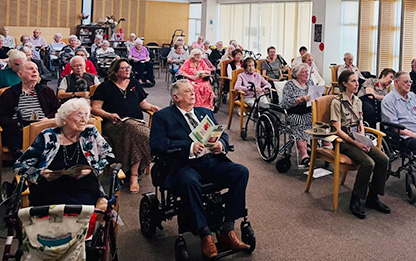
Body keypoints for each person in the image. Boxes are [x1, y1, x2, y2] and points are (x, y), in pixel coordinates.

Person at [150, 79, 251, 259]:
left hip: (211, 160)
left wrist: (221, 144)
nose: (193, 93)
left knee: (241, 172)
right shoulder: (163, 116)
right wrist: (188, 146)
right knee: (189, 182)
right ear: (176, 97)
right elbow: (157, 145)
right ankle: (205, 234)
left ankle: (227, 228)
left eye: (193, 90)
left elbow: (223, 135)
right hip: (182, 164)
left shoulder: (204, 112)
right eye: (188, 91)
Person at [14, 98, 113, 209]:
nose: (84, 119)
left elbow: (109, 155)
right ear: (65, 118)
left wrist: (92, 169)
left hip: (84, 187)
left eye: (86, 115)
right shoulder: (48, 136)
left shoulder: (90, 133)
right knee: (65, 210)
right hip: (50, 188)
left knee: (80, 209)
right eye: (79, 115)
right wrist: (41, 173)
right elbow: (20, 164)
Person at [91, 58, 160, 193]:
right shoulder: (105, 87)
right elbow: (95, 108)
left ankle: (132, 174)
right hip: (114, 124)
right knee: (131, 129)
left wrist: (152, 107)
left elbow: (142, 103)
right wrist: (108, 115)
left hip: (136, 123)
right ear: (115, 72)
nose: (128, 70)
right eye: (124, 68)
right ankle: (135, 174)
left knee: (133, 131)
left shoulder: (134, 83)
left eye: (128, 67)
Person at [330, 70, 389, 219]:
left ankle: (372, 197)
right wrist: (356, 142)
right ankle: (355, 199)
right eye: (353, 81)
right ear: (344, 84)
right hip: (344, 141)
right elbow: (337, 130)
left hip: (357, 138)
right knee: (368, 163)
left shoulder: (358, 101)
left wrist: (362, 139)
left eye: (357, 81)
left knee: (383, 159)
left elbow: (361, 123)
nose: (357, 84)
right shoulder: (336, 102)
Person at [0, 61, 60, 157]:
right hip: (19, 129)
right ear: (20, 74)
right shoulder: (9, 93)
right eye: (30, 69)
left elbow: (58, 110)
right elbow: (2, 116)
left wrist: (47, 119)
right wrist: (16, 123)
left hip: (43, 126)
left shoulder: (46, 91)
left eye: (36, 70)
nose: (35, 72)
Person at [280, 63, 315, 168]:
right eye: (304, 72)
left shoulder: (310, 83)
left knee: (319, 124)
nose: (307, 74)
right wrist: (300, 100)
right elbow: (285, 103)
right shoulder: (290, 85)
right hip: (294, 112)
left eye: (307, 72)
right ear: (297, 74)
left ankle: (324, 150)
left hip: (309, 111)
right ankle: (304, 155)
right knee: (300, 124)